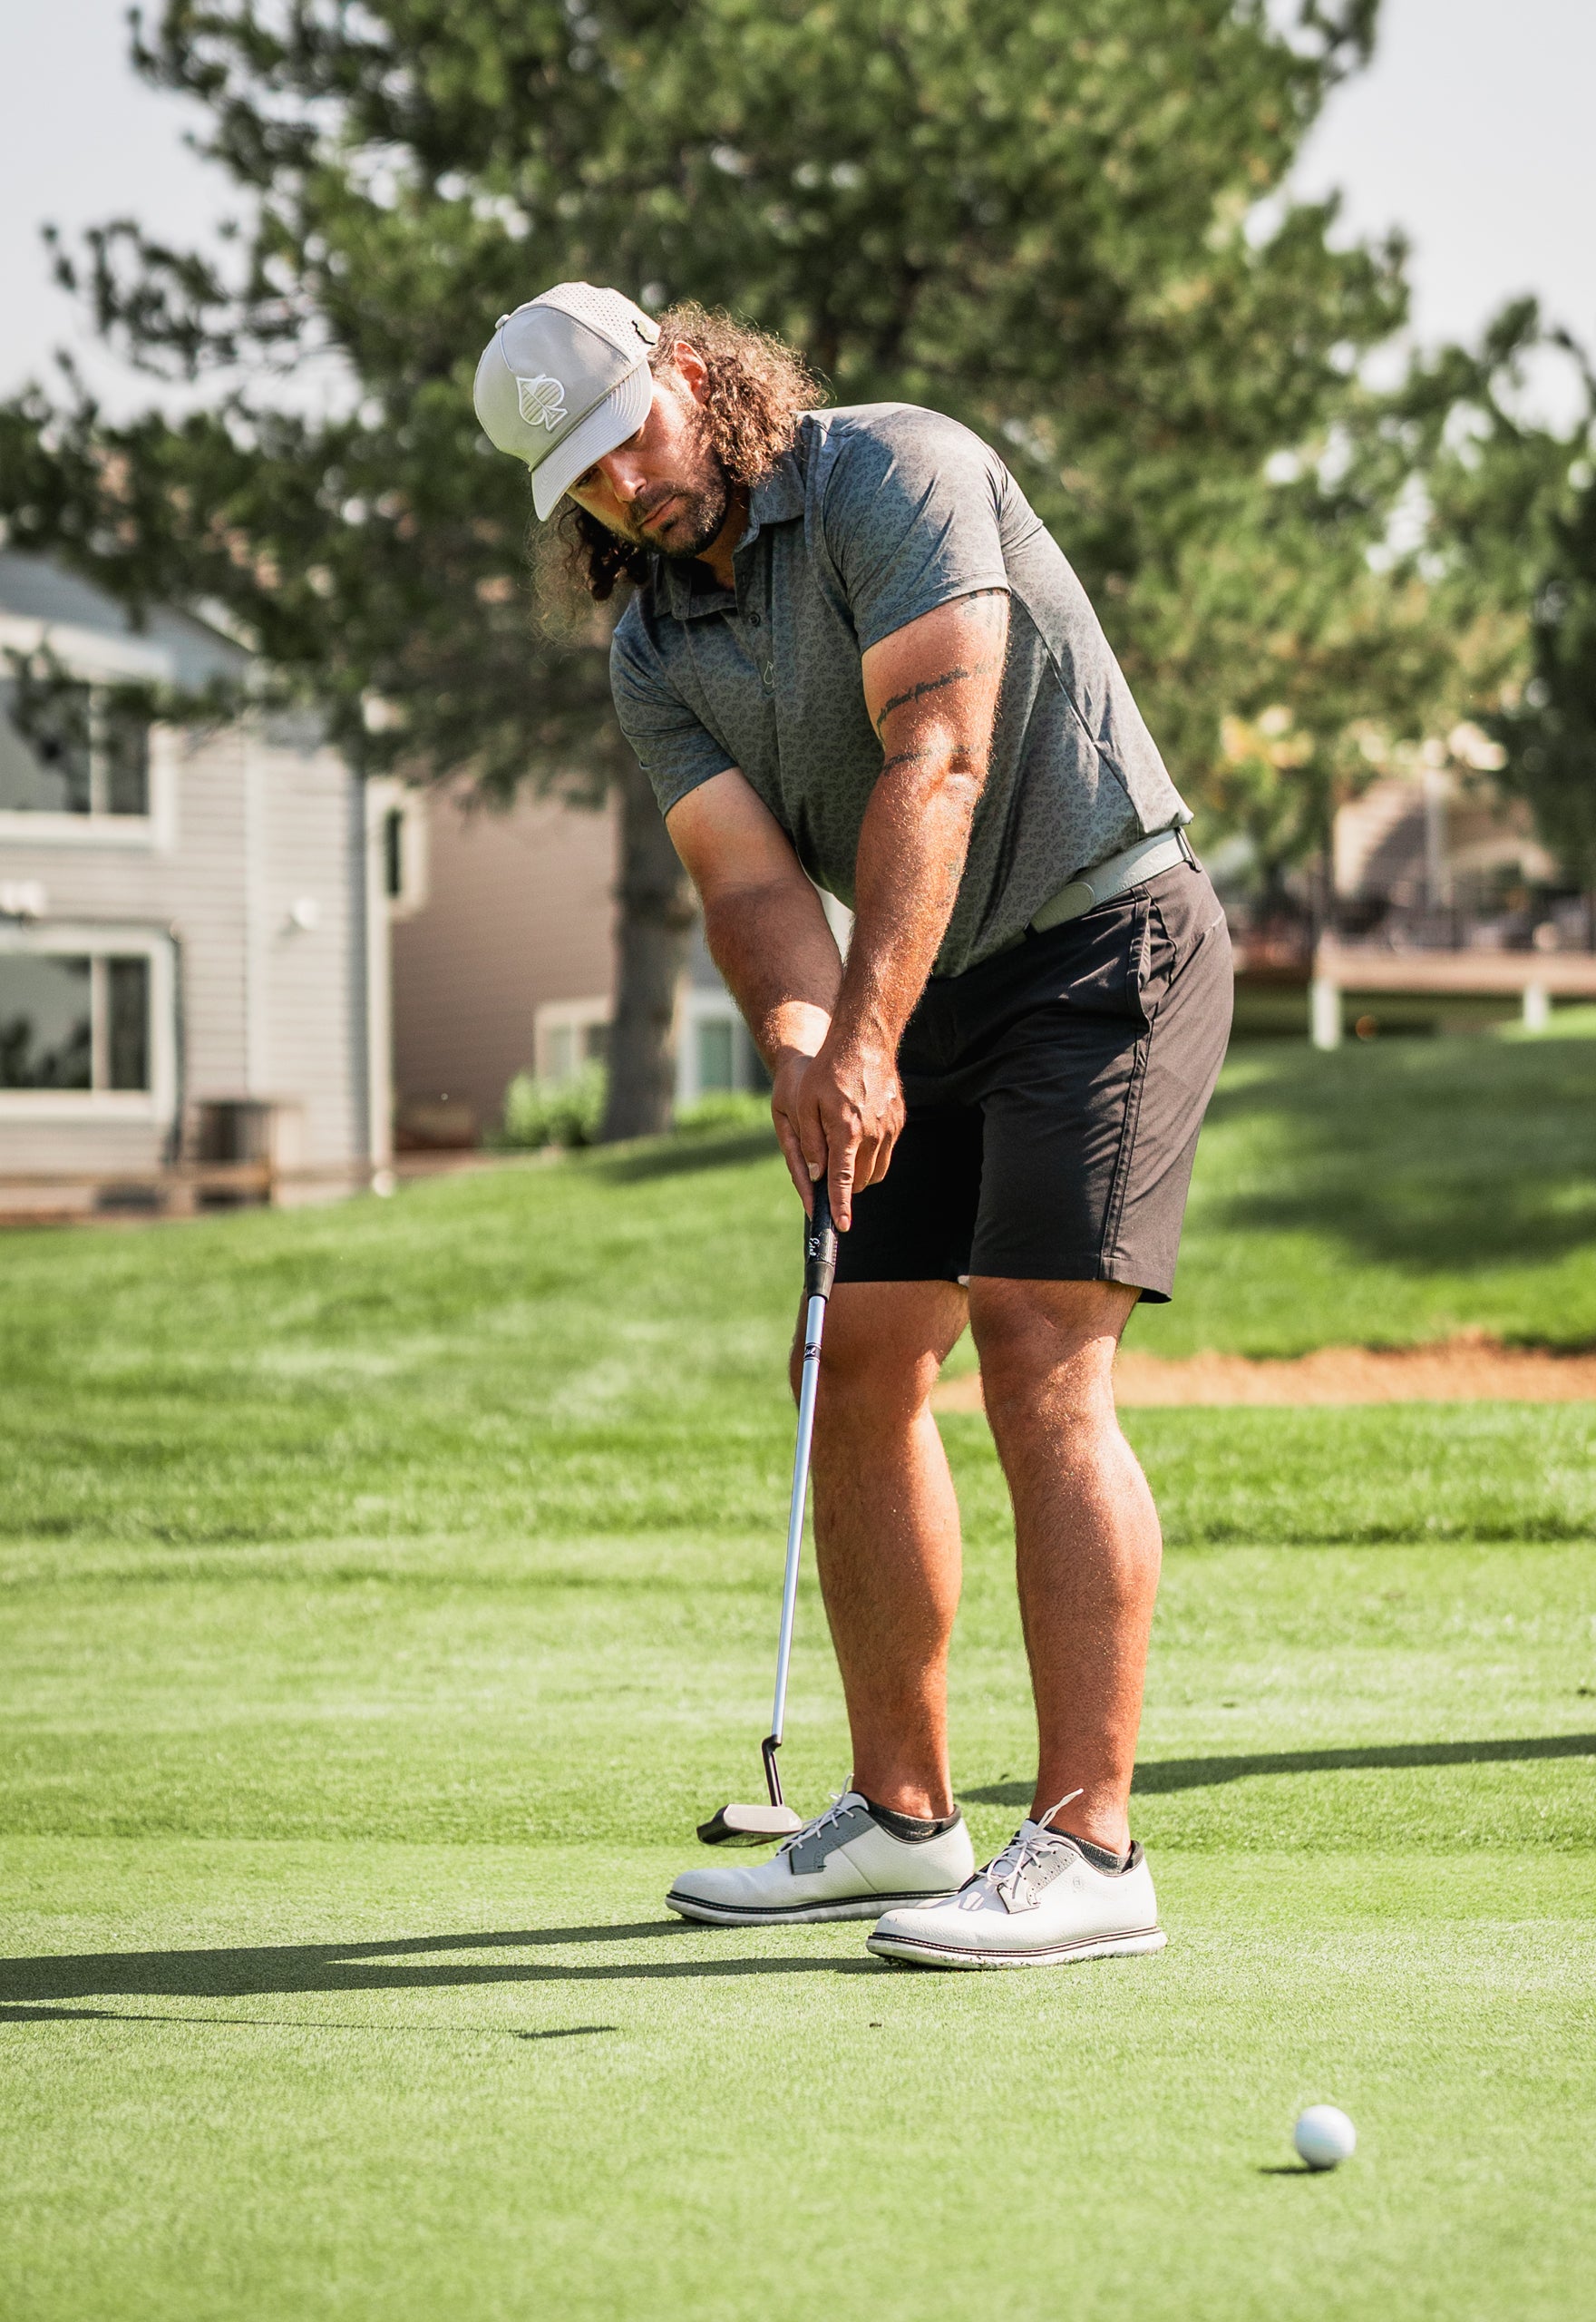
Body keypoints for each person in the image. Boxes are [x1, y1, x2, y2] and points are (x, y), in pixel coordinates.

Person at [474, 283, 1232, 1969]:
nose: (622, 489)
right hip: (927, 979)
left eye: (626, 438)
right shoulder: (656, 647)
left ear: (690, 372)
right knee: (856, 1354)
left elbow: (937, 764)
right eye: (581, 482)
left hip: (1105, 936)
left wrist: (868, 1030)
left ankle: (1093, 1845)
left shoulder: (899, 473)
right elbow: (747, 880)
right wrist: (811, 1042)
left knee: (1040, 1347)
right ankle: (903, 1820)